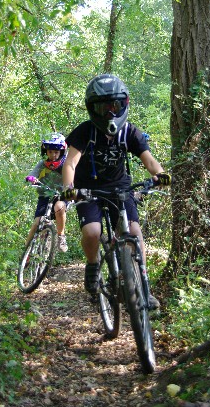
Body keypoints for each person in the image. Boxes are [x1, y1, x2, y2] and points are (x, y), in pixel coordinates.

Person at [61, 74, 171, 306]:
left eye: (115, 106)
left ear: (124, 104)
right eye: (103, 108)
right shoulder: (84, 132)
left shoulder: (130, 132)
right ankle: (93, 266)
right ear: (92, 109)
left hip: (120, 188)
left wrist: (160, 175)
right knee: (92, 232)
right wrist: (69, 189)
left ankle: (143, 289)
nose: (110, 113)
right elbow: (70, 163)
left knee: (133, 233)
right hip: (87, 190)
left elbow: (149, 160)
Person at [26, 133, 69, 252]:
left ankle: (61, 236)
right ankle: (27, 251)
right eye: (50, 152)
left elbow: (73, 178)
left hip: (62, 195)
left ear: (61, 152)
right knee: (36, 223)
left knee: (59, 207)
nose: (53, 155)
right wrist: (31, 178)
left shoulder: (66, 164)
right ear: (45, 152)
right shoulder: (42, 164)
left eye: (56, 152)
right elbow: (33, 173)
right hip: (45, 195)